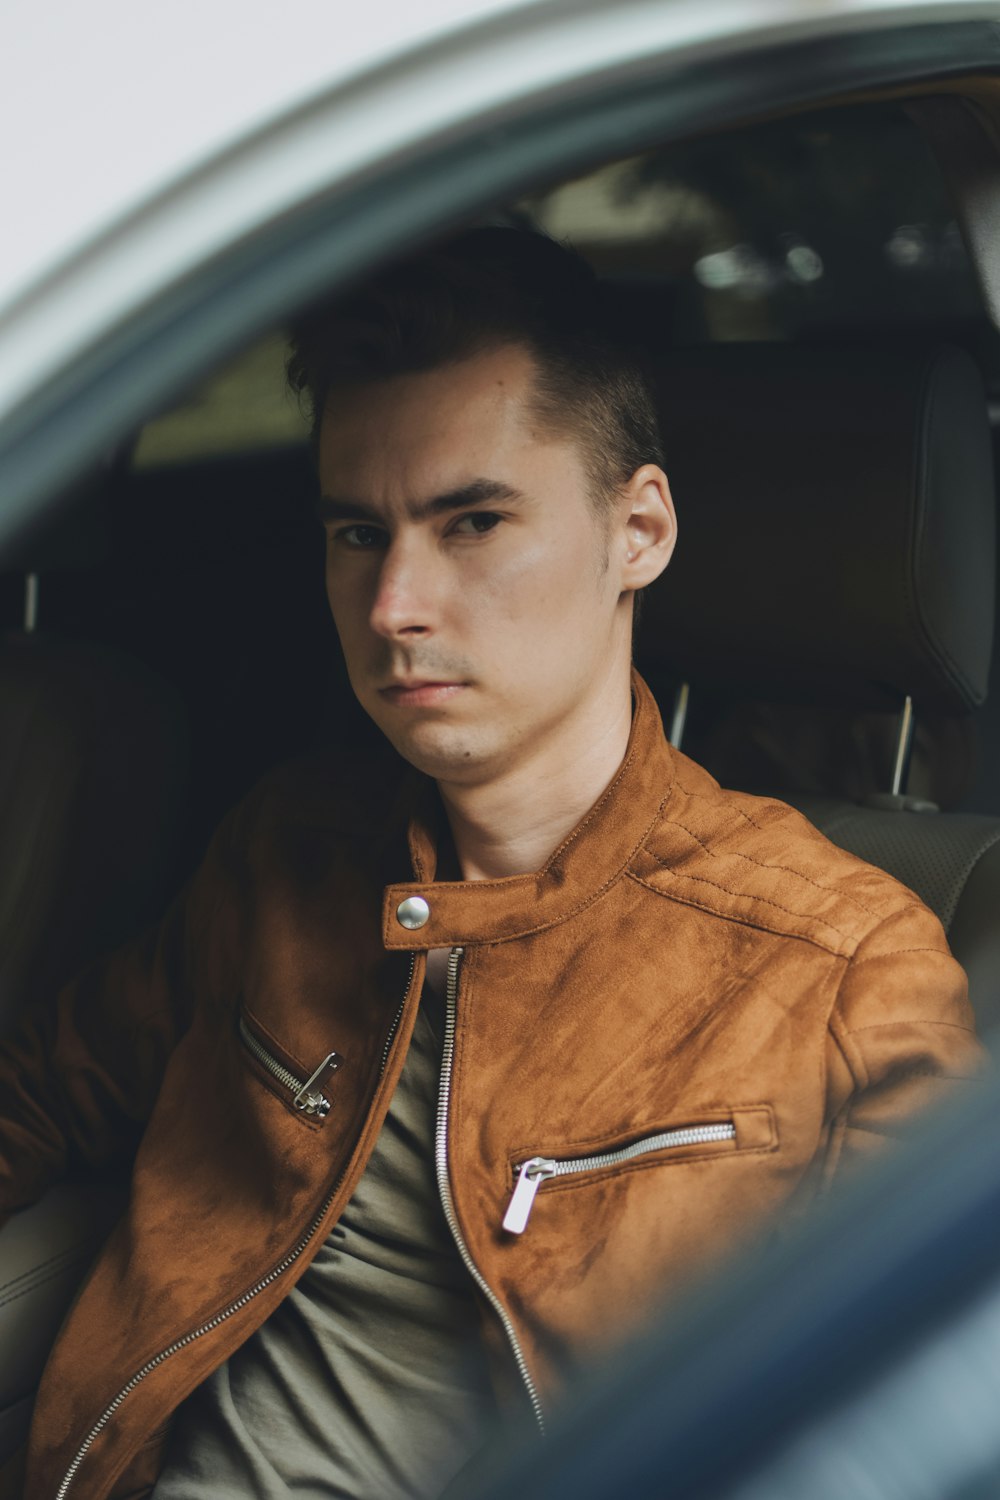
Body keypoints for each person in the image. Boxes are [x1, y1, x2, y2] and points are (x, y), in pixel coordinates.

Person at [0, 228, 985, 1500]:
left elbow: (900, 1423)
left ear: (638, 530)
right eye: (359, 533)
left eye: (471, 521)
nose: (395, 603)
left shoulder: (845, 967)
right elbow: (39, 1094)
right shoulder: (291, 847)